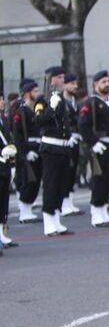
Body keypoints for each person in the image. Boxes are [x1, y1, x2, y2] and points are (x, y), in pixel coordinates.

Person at [35, 71, 78, 236]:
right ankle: (48, 222)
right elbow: (39, 121)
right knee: (51, 185)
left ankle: (56, 219)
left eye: (62, 77)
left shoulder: (60, 98)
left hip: (63, 147)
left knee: (61, 185)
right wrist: (51, 108)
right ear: (51, 80)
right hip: (51, 149)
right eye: (59, 78)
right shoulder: (43, 100)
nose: (62, 80)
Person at [77, 71, 109, 227]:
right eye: (103, 82)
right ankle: (96, 213)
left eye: (108, 81)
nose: (107, 84)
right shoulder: (91, 103)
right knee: (99, 179)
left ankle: (104, 210)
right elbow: (83, 125)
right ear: (95, 84)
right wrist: (94, 142)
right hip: (100, 146)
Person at [10, 79, 42, 223]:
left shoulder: (36, 109)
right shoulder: (21, 112)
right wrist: (24, 152)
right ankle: (24, 212)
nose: (38, 93)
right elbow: (18, 136)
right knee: (27, 181)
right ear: (27, 94)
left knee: (35, 181)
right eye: (35, 91)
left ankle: (29, 209)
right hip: (27, 150)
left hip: (38, 148)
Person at [58, 74, 84, 217]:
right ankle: (64, 202)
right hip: (66, 140)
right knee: (66, 172)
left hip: (75, 139)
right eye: (72, 83)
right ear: (65, 85)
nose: (75, 86)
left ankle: (69, 202)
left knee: (73, 171)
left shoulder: (74, 101)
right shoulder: (61, 101)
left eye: (76, 83)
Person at [0, 100, 17, 248]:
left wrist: (12, 164)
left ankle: (2, 234)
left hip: (4, 165)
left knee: (3, 202)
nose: (2, 102)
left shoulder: (4, 119)